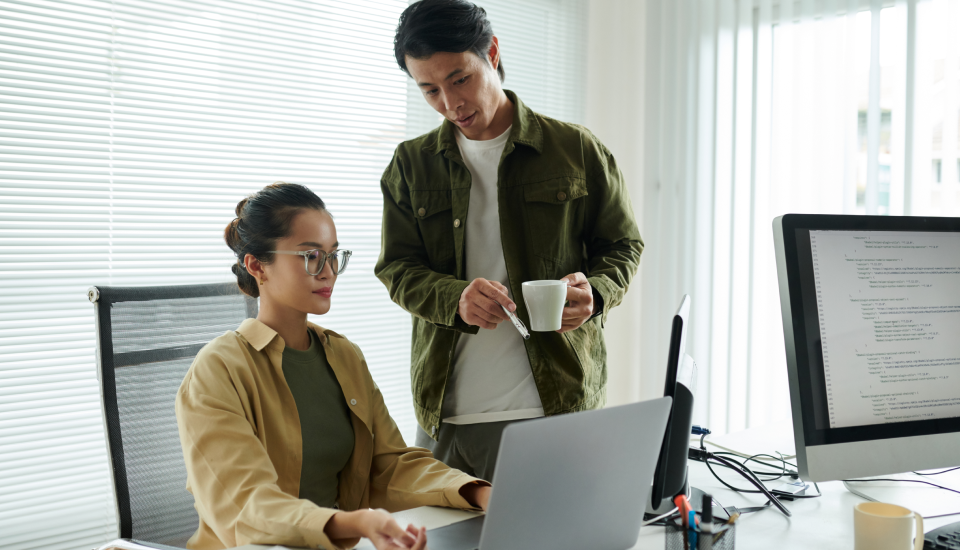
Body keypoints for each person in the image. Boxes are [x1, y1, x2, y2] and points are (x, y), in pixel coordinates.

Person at [375, 0, 644, 482]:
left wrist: (597, 294)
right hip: (446, 416)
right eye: (429, 90)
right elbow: (397, 269)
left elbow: (623, 245)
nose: (450, 104)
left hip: (555, 408)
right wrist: (454, 298)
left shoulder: (576, 149)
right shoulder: (410, 164)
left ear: (492, 52)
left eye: (460, 79)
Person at [176, 182, 491, 550]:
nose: (328, 272)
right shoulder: (218, 370)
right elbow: (247, 506)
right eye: (311, 256)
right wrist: (352, 522)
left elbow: (390, 464)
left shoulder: (344, 356)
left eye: (333, 255)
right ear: (257, 266)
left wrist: (480, 493)